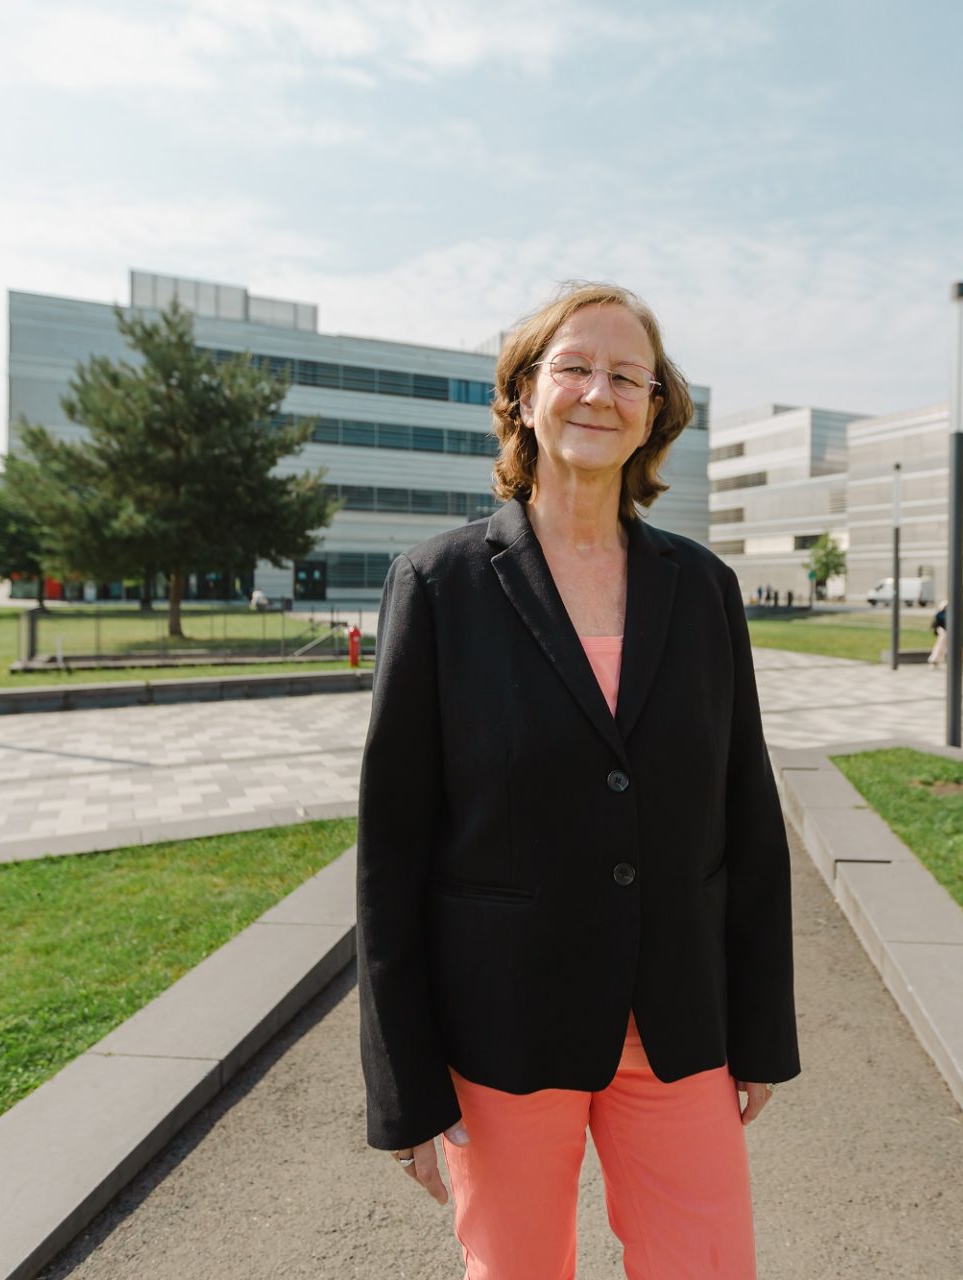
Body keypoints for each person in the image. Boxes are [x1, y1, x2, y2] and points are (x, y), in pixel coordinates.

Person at [358, 282, 799, 1278]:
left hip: (678, 1023)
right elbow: (392, 851)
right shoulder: (439, 585)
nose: (599, 391)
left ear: (654, 409)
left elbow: (748, 816)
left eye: (626, 375)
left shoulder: (703, 588)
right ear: (522, 395)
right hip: (503, 1030)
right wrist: (406, 1083)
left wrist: (762, 1031)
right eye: (574, 367)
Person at [930, 590, 963, 666]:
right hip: (947, 627)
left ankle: (938, 660)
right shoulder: (957, 603)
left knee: (945, 643)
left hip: (949, 627)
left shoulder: (949, 602)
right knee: (945, 641)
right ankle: (937, 660)